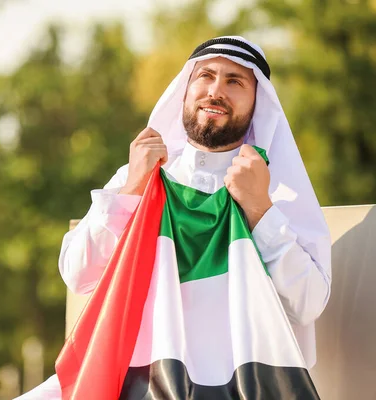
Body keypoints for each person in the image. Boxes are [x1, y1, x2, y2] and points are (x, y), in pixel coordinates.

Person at [17, 36, 331, 399]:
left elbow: (308, 303)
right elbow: (78, 273)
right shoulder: (140, 176)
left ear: (259, 102)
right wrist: (132, 188)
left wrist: (260, 210)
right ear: (185, 90)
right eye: (206, 76)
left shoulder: (277, 191)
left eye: (235, 81)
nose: (216, 90)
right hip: (132, 379)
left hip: (243, 387)